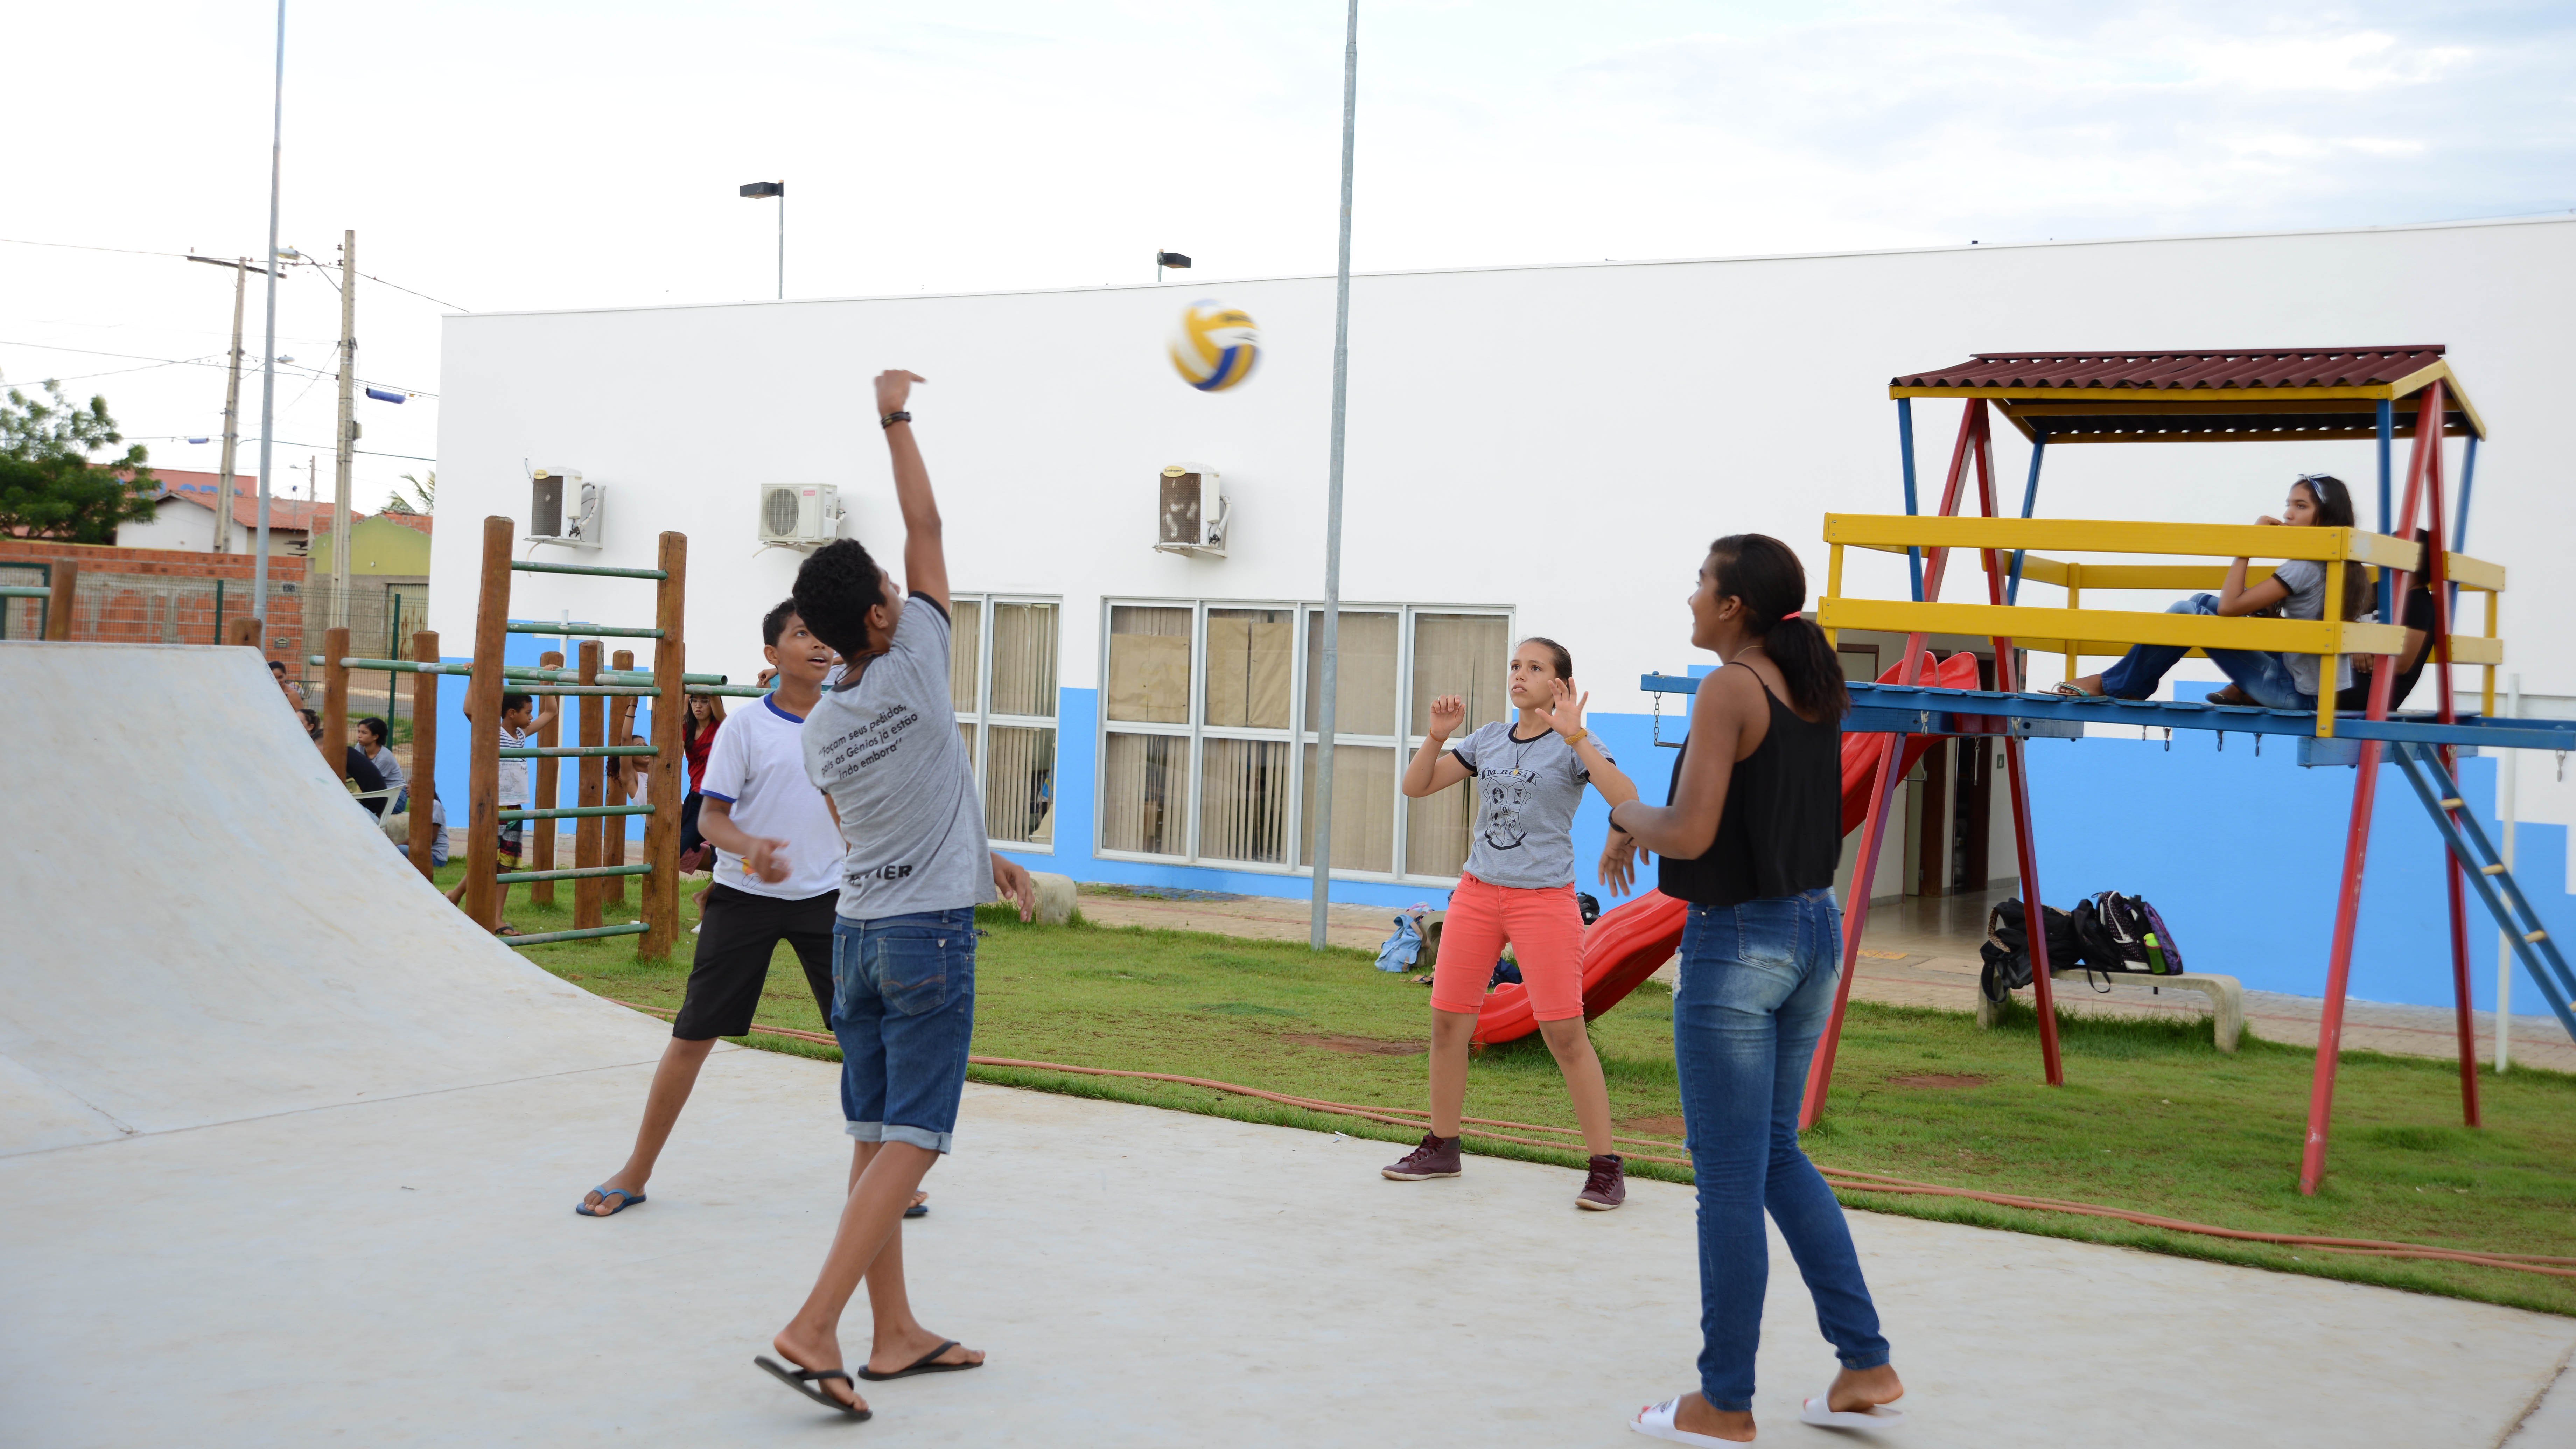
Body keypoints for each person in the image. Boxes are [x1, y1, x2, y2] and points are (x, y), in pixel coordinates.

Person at [755, 369, 1034, 1418]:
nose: (902, 585)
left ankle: (895, 1332)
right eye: (889, 584)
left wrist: (976, 850)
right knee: (915, 1138)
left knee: (873, 1137)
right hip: (925, 940)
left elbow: (861, 826)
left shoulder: (821, 722)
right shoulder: (916, 653)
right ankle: (814, 1323)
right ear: (879, 613)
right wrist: (894, 418)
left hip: (857, 935)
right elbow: (927, 524)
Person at [1598, 534, 1902, 1445]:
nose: (1691, 596)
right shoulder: (1812, 685)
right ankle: (1864, 1361)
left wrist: (1624, 813)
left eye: (1702, 583)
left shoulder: (1729, 687)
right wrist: (1641, 818)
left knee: (1729, 1177)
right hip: (1814, 931)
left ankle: (1723, 1402)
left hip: (1737, 944)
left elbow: (1690, 833)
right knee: (1774, 1154)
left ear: (1733, 605)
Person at [577, 601, 854, 1219]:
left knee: (863, 1037)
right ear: (772, 654)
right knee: (692, 1037)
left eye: (824, 634)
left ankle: (885, 1179)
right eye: (802, 634)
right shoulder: (746, 728)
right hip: (745, 900)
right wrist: (752, 848)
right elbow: (710, 819)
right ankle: (637, 1170)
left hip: (829, 902)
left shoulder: (847, 722)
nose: (818, 644)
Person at [1382, 637, 1640, 1210]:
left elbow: (1626, 800)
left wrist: (1575, 735)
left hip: (1544, 900)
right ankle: (1442, 1147)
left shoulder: (1575, 743)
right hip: (1477, 894)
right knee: (1448, 1024)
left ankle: (1606, 1168)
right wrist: (1437, 736)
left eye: (1535, 667)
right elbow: (1416, 786)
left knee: (1564, 1034)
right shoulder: (1489, 739)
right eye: (1516, 666)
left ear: (1560, 684)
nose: (1520, 674)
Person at [2054, 473, 2369, 710]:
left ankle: (2113, 685)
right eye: (2288, 505)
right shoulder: (2337, 563)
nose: (2288, 514)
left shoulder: (2305, 567)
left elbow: (2230, 608)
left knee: (2186, 612)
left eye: (2301, 507)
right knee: (2199, 601)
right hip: (2313, 690)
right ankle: (2127, 685)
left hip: (2295, 695)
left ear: (2325, 517)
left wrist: (2247, 546)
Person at [443, 691, 558, 931]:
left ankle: (495, 917)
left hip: (515, 807)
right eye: (528, 712)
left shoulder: (522, 734)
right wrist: (473, 680)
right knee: (486, 859)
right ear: (512, 714)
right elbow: (469, 711)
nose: (532, 717)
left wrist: (549, 683)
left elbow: (551, 712)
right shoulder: (493, 732)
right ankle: (457, 895)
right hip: (494, 806)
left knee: (506, 863)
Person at [2340, 533, 2441, 713]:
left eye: (2392, 546)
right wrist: (2356, 647)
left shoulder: (2418, 604)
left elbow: (2401, 665)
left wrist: (2357, 649)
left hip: (2370, 694)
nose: (2383, 550)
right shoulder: (2373, 591)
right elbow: (2336, 627)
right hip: (2341, 680)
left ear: (2416, 559)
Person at [305, 708, 390, 815]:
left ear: (326, 746)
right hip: (372, 809)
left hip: (368, 813)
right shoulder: (348, 753)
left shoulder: (339, 759)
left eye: (315, 748)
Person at [679, 693, 727, 873]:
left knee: (720, 859)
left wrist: (708, 690)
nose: (698, 706)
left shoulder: (721, 727)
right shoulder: (687, 729)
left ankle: (718, 889)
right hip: (696, 799)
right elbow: (676, 754)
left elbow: (717, 703)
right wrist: (686, 697)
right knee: (677, 848)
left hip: (719, 799)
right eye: (695, 701)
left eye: (704, 701)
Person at [356, 716, 406, 814]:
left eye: (364, 733)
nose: (359, 736)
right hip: (378, 794)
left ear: (376, 736)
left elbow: (373, 783)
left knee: (362, 810)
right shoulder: (360, 747)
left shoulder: (385, 757)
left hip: (396, 797)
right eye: (359, 732)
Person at [396, 788, 451, 868]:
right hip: (425, 853)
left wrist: (396, 847)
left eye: (410, 784)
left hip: (436, 857)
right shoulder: (420, 806)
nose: (407, 787)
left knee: (400, 849)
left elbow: (432, 838)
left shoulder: (434, 805)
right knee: (398, 849)